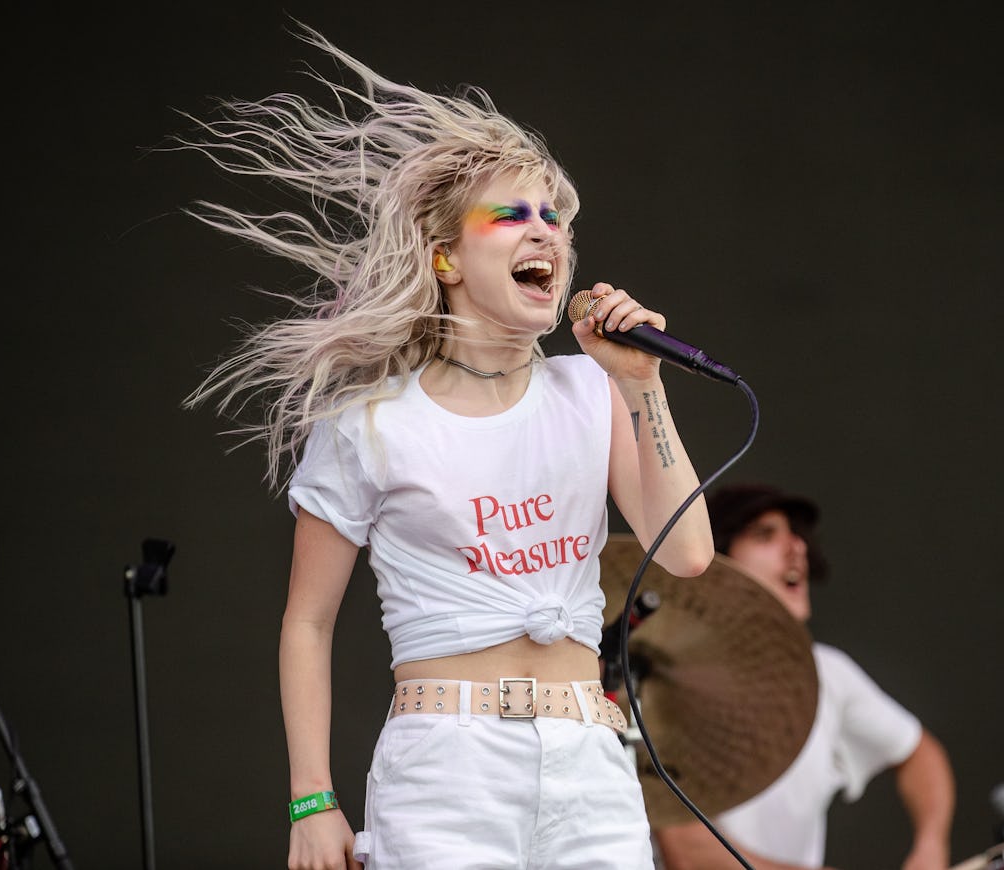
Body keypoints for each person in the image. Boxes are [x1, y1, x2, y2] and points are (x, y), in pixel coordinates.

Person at [182, 24, 713, 870]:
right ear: (447, 257)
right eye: (512, 215)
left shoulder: (592, 388)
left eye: (554, 218)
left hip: (590, 761)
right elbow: (307, 623)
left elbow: (685, 552)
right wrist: (311, 800)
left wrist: (644, 384)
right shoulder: (371, 420)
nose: (546, 233)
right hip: (447, 767)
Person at [653, 484, 954, 870]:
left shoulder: (828, 672)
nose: (797, 547)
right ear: (716, 563)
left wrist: (930, 846)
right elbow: (688, 851)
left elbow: (919, 752)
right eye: (765, 535)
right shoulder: (664, 679)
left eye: (797, 536)